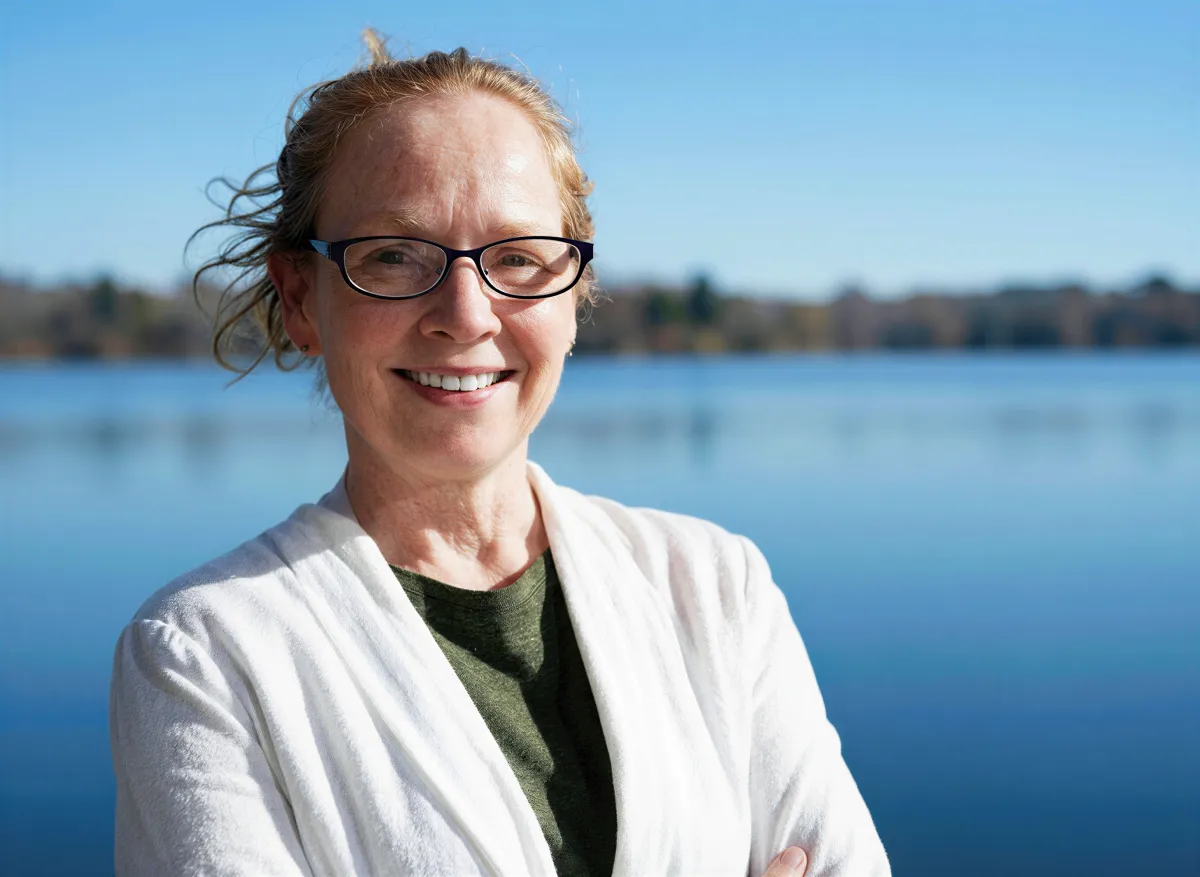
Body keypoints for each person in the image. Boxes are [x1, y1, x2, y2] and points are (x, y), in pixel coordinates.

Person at [109, 33, 890, 877]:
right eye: (394, 256)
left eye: (517, 258)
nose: (467, 313)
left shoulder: (713, 588)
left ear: (574, 292)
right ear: (301, 298)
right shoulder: (205, 653)